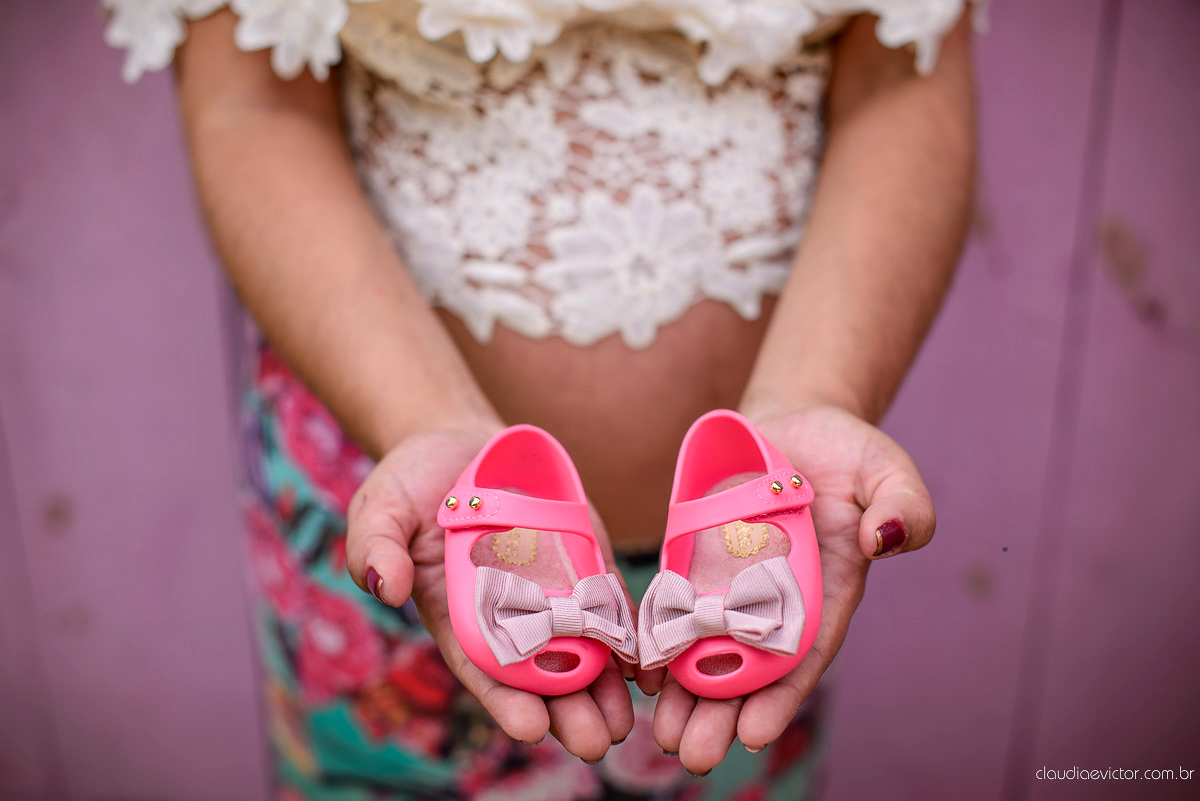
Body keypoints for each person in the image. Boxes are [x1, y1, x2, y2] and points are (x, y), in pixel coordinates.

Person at [107, 0, 978, 797]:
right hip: (398, 502)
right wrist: (422, 419)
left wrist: (820, 389)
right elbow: (252, 101)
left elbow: (901, 71)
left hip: (776, 551)